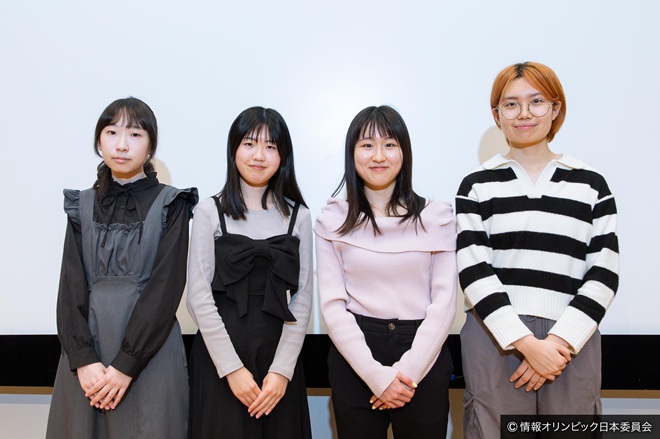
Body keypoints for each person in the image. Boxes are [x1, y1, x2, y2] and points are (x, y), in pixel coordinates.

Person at [456, 62, 619, 438]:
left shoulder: (591, 184)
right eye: (511, 104)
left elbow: (604, 272)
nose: (524, 113)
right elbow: (474, 270)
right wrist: (525, 344)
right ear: (496, 115)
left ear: (556, 108)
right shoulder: (476, 185)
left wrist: (558, 343)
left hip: (572, 338)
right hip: (495, 338)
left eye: (537, 101)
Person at [46, 97, 198, 439]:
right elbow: (70, 287)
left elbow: (166, 287)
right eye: (112, 132)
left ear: (151, 146)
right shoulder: (81, 204)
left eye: (135, 134)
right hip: (87, 360)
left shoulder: (172, 203)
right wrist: (83, 360)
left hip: (151, 355)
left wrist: (126, 365)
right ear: (99, 142)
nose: (122, 144)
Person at [315, 105, 457, 439]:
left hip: (424, 354)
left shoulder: (436, 217)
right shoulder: (333, 219)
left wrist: (406, 374)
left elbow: (444, 304)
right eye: (367, 145)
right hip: (355, 357)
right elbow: (332, 306)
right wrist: (376, 377)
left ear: (404, 152)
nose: (378, 155)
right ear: (352, 154)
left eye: (390, 144)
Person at [186, 106, 312, 439]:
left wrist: (281, 371)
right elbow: (198, 297)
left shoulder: (299, 216)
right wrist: (232, 370)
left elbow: (303, 298)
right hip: (220, 359)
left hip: (279, 360)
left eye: (271, 146)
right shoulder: (209, 211)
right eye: (250, 143)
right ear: (234, 149)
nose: (259, 155)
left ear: (283, 155)